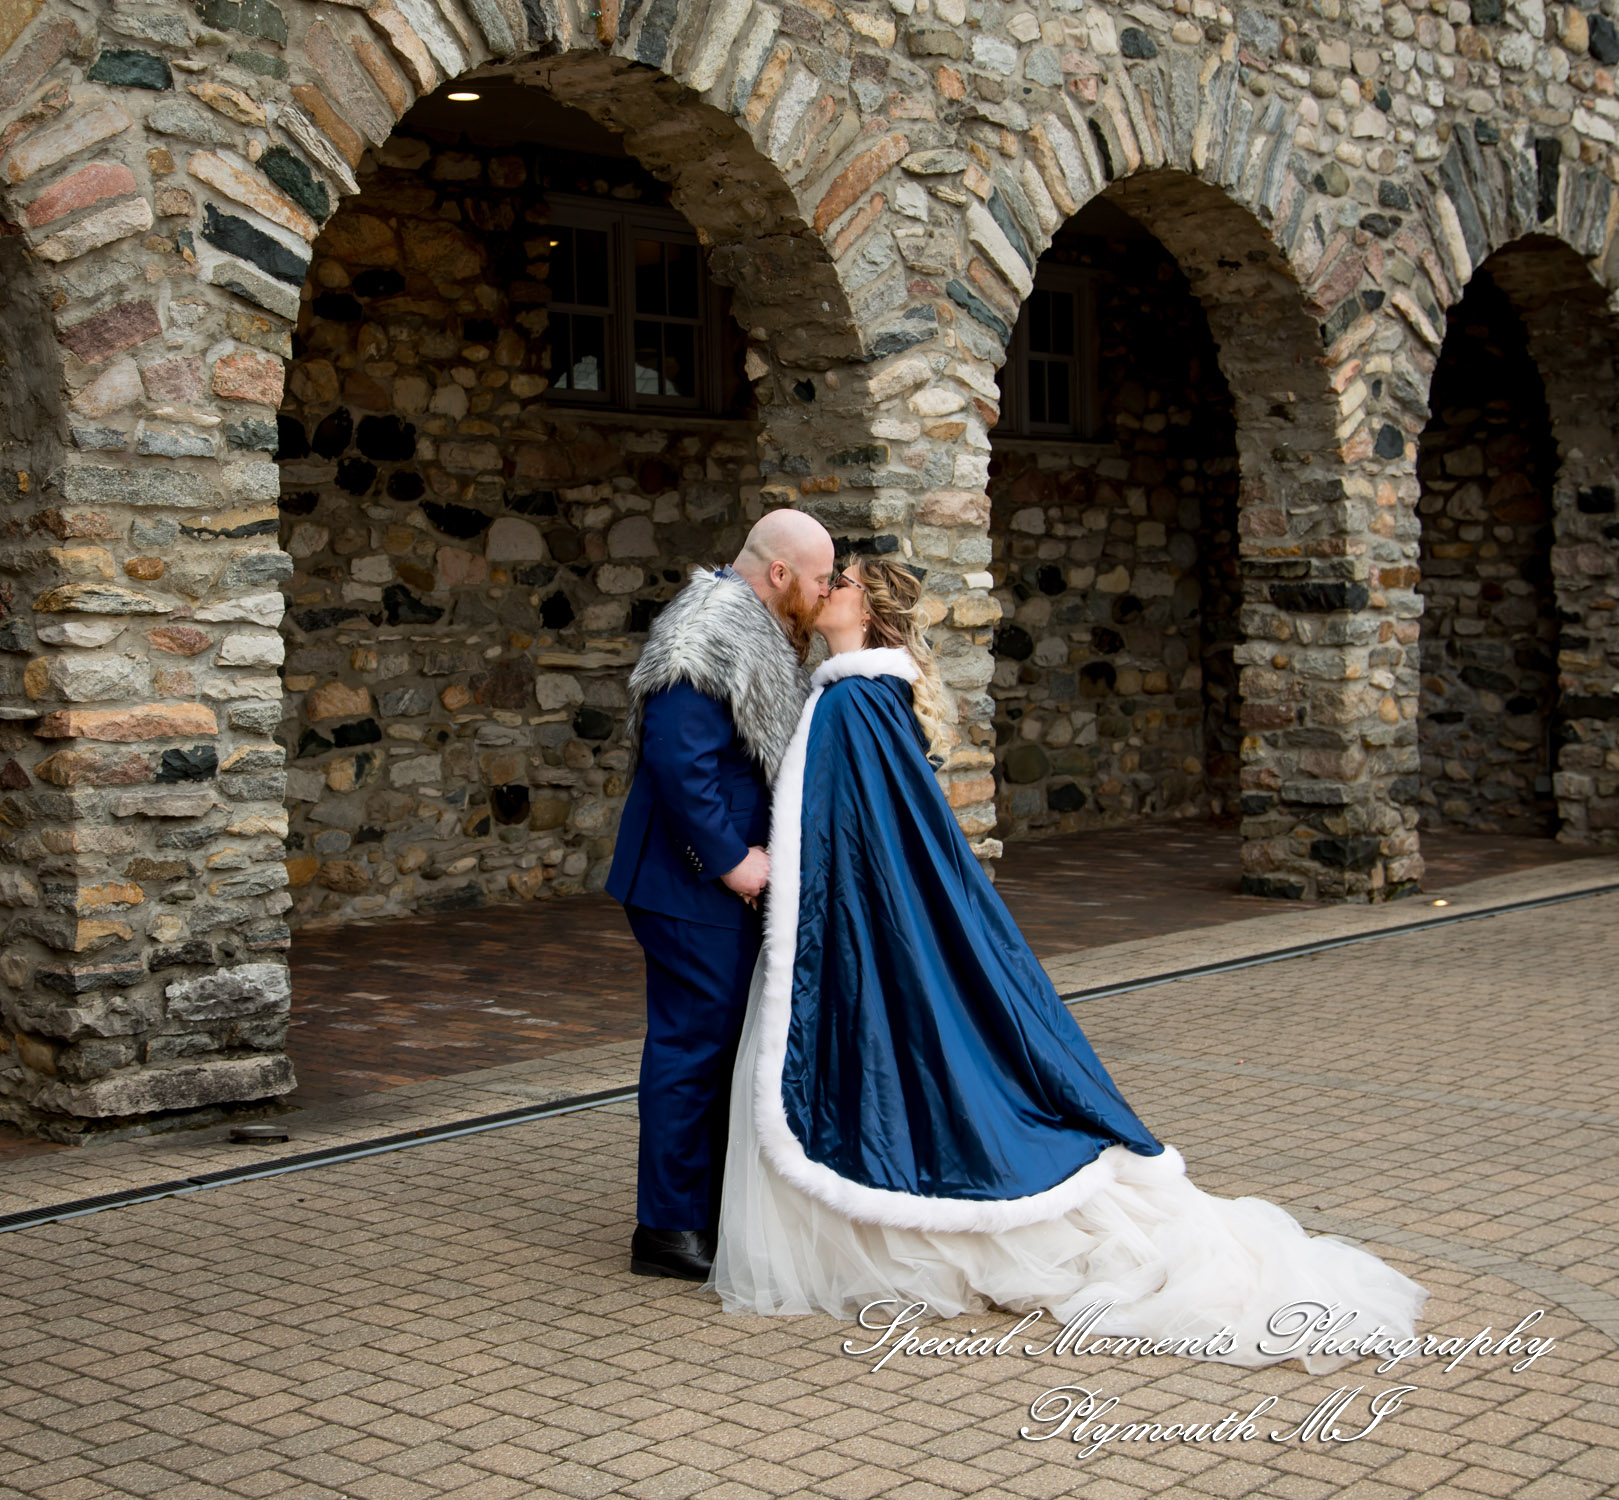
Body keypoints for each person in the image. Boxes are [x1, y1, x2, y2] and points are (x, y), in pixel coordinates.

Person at [710, 557, 1428, 1369]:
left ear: (868, 611)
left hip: (858, 931)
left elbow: (881, 846)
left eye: (843, 580)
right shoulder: (849, 694)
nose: (829, 585)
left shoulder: (858, 700)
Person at [607, 509, 836, 1281]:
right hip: (689, 882)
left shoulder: (752, 624)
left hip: (708, 882)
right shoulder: (705, 631)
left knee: (716, 1046)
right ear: (778, 574)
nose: (824, 591)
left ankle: (698, 1208)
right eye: (817, 578)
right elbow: (678, 760)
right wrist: (731, 861)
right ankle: (667, 1231)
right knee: (690, 1049)